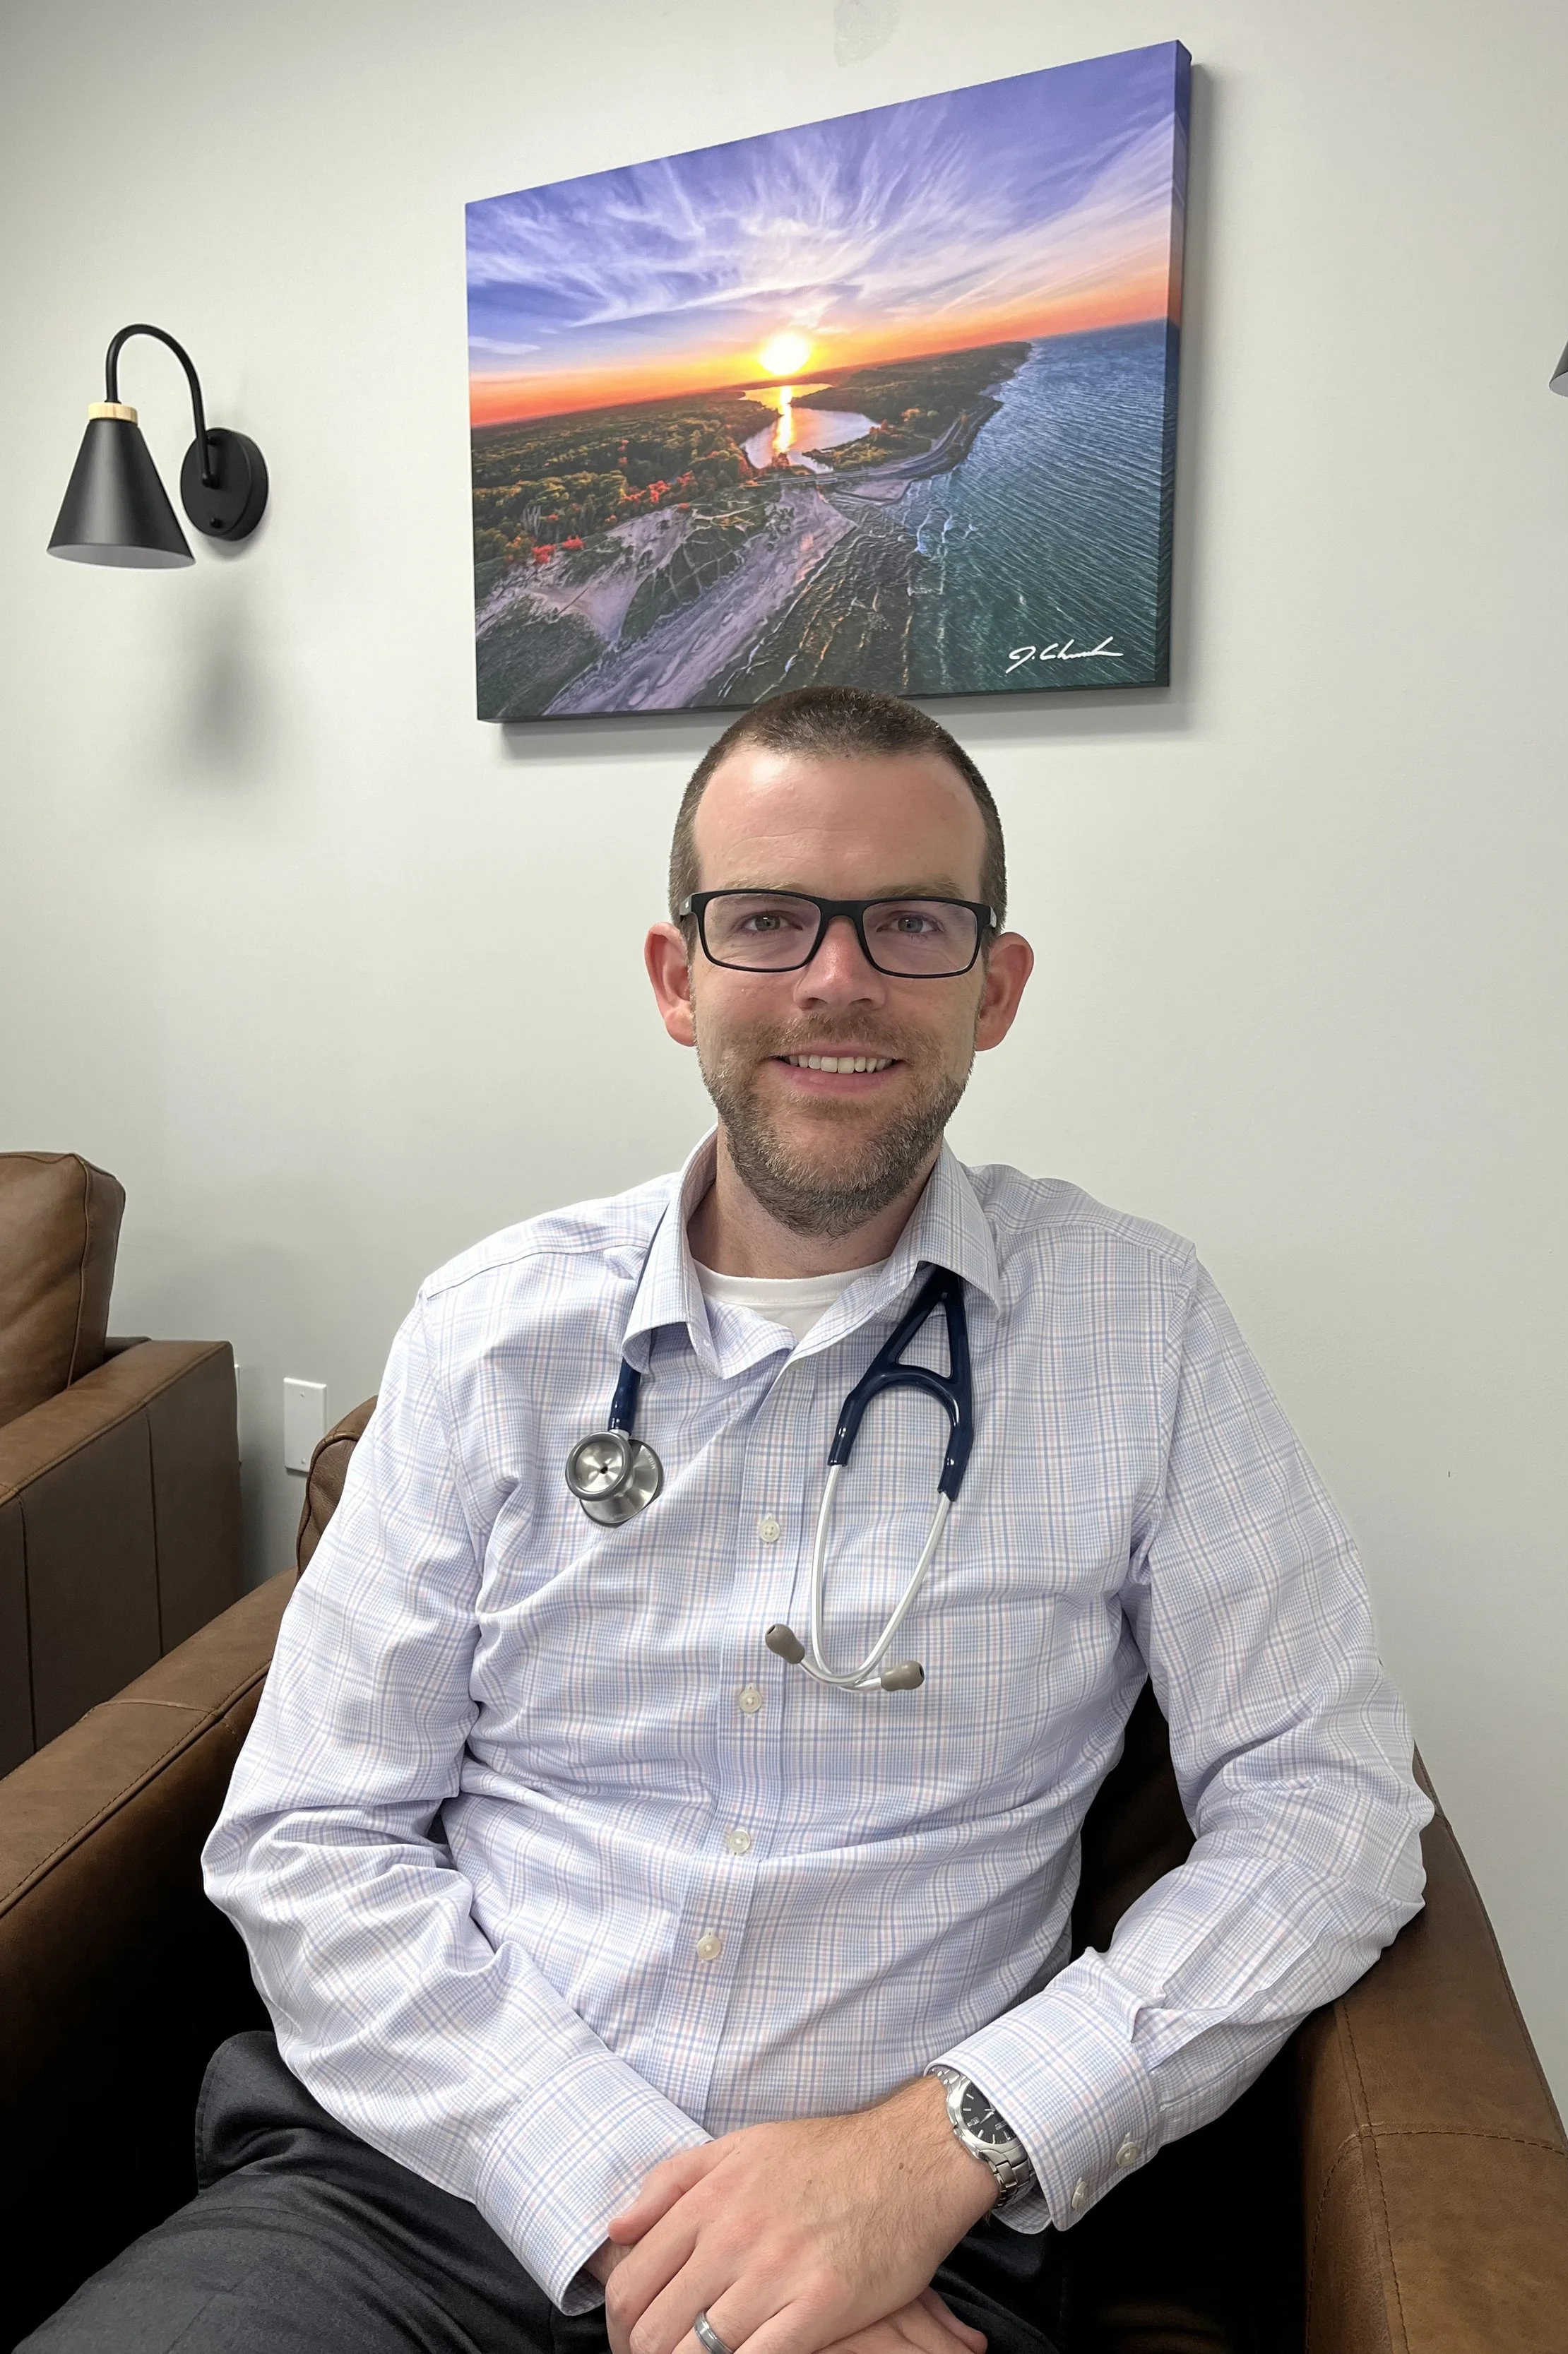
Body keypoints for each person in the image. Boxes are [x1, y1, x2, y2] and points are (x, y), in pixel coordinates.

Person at [26, 687, 1430, 2354]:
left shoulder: (1141, 1329)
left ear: (996, 988)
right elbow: (309, 1835)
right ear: (676, 974)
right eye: (766, 919)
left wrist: (942, 2145)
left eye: (909, 921)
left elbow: (1328, 1807)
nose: (836, 977)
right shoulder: (489, 1332)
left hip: (905, 2234)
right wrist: (655, 2215)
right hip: (412, 2192)